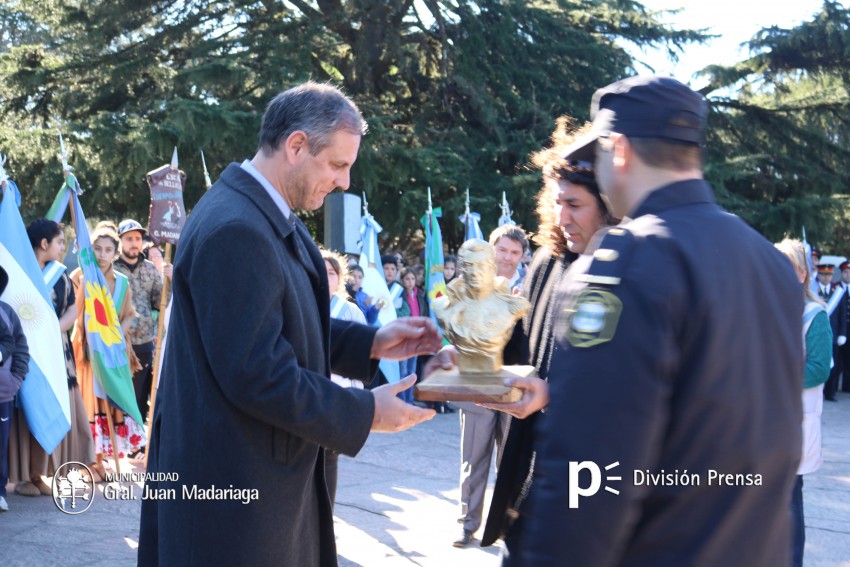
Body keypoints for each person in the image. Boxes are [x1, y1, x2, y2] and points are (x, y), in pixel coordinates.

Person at [137, 82, 441, 567]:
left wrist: (372, 343)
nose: (344, 182)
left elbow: (284, 321)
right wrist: (363, 413)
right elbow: (257, 372)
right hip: (235, 500)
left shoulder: (268, 213)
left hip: (258, 484)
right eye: (338, 165)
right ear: (296, 146)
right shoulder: (236, 227)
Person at [518, 76, 802, 566]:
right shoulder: (768, 262)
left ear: (620, 150)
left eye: (600, 156)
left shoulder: (625, 264)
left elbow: (588, 473)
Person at [477, 121, 618, 559]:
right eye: (558, 203)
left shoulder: (628, 272)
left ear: (611, 204)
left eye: (575, 204)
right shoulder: (546, 262)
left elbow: (628, 385)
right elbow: (520, 348)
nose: (562, 217)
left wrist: (552, 395)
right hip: (530, 483)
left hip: (593, 485)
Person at [430, 240, 528, 548]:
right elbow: (449, 322)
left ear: (522, 256)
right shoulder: (458, 292)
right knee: (474, 459)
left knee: (510, 462)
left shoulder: (531, 285)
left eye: (515, 252)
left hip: (515, 386)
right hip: (477, 382)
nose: (508, 258)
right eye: (503, 250)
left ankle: (507, 524)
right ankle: (467, 524)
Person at [10, 220, 95, 497]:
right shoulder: (18, 271)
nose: (62, 247)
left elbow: (72, 310)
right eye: (59, 242)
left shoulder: (61, 275)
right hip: (24, 355)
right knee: (28, 409)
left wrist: (52, 329)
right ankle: (22, 476)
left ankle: (39, 473)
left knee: (54, 406)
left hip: (57, 354)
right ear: (44, 244)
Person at [71, 225, 145, 477]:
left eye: (108, 250)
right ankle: (89, 462)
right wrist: (84, 283)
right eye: (97, 249)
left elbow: (128, 316)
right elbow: (74, 311)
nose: (102, 255)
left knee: (108, 401)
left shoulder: (122, 283)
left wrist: (116, 335)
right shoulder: (79, 276)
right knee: (89, 403)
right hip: (87, 352)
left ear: (115, 252)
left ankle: (101, 461)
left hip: (112, 352)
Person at [775, 238, 831, 567]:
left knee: (790, 502)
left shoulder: (815, 314)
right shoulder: (766, 308)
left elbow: (819, 368)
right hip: (766, 421)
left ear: (802, 274)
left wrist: (775, 381)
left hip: (796, 421)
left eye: (789, 266)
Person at [321, 248, 368, 508]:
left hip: (338, 399)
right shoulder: (297, 306)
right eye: (321, 271)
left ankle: (326, 523)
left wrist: (355, 405)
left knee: (329, 461)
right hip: (306, 398)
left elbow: (359, 367)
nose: (325, 277)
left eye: (331, 273)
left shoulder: (351, 312)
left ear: (339, 279)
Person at [114, 218, 169, 427]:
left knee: (139, 395)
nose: (134, 243)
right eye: (129, 239)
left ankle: (136, 441)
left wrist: (168, 281)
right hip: (118, 340)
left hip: (144, 341)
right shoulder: (110, 268)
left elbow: (160, 302)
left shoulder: (149, 269)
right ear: (120, 241)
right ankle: (118, 439)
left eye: (137, 238)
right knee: (119, 393)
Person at [0, 265, 31, 512]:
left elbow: (20, 345)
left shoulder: (6, 312)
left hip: (2, 394)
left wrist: (15, 378)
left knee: (0, 445)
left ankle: (0, 491)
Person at [396, 267, 428, 404]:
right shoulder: (399, 295)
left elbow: (424, 313)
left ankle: (410, 400)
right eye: (407, 279)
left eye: (412, 279)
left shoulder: (419, 295)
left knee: (412, 371)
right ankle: (402, 400)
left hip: (417, 337)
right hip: (404, 338)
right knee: (403, 372)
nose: (410, 282)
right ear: (402, 281)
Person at [489, 225, 528, 292]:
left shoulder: (528, 284)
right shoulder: (477, 280)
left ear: (522, 256)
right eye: (502, 250)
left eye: (514, 253)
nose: (507, 257)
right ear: (490, 250)